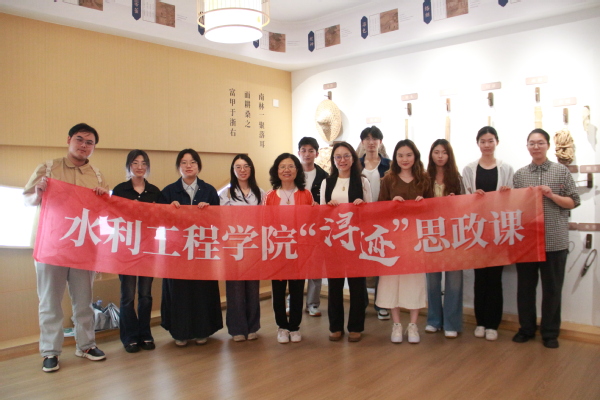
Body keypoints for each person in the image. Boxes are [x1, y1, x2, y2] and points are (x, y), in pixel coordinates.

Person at [23, 123, 109, 372]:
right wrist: (38, 193)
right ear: (69, 140)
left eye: (90, 142)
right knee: (50, 301)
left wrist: (104, 198)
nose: (84, 145)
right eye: (79, 139)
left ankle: (86, 345)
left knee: (84, 301)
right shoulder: (49, 167)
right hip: (51, 246)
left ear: (94, 147)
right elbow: (28, 199)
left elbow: (104, 213)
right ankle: (50, 351)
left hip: (84, 247)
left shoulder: (97, 175)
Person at [512, 129, 580, 349]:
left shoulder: (561, 171)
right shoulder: (520, 175)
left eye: (540, 143)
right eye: (532, 143)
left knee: (552, 290)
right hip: (527, 242)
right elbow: (513, 207)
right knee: (525, 289)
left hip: (554, 241)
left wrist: (551, 195)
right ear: (527, 147)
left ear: (548, 145)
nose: (536, 147)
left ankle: (550, 333)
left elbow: (574, 201)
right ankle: (526, 329)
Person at [159, 149, 223, 347]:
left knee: (201, 291)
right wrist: (169, 211)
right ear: (178, 166)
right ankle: (180, 332)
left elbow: (218, 221)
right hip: (176, 251)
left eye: (193, 162)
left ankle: (202, 330)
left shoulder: (209, 191)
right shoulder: (168, 191)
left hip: (202, 250)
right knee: (179, 292)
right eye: (184, 162)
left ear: (198, 166)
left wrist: (208, 212)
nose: (188, 166)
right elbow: (159, 222)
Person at [376, 139, 433, 344]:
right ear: (395, 157)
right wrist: (391, 204)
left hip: (416, 239)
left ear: (415, 156)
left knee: (414, 281)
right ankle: (397, 324)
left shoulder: (424, 179)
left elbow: (434, 208)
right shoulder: (388, 179)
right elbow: (379, 209)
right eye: (400, 155)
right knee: (392, 282)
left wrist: (423, 204)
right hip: (393, 239)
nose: (405, 159)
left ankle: (413, 325)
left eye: (409, 155)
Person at [462, 126, 513, 341]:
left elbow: (513, 201)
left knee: (495, 279)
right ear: (478, 143)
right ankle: (480, 322)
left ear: (496, 142)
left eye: (490, 140)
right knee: (480, 278)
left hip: (498, 231)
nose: (487, 145)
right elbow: (463, 200)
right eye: (483, 141)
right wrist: (473, 196)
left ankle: (493, 324)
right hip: (477, 231)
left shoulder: (506, 169)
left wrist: (507, 194)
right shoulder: (469, 169)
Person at [320, 142, 371, 342]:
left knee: (357, 285)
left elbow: (371, 212)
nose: (342, 160)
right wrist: (329, 207)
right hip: (334, 241)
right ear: (333, 160)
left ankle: (356, 326)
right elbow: (321, 213)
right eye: (338, 157)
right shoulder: (327, 183)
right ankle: (335, 326)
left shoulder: (362, 181)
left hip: (355, 240)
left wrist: (362, 206)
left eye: (346, 156)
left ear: (353, 158)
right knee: (334, 285)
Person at [111, 150, 161, 353]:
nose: (140, 167)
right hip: (126, 250)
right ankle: (129, 337)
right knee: (128, 296)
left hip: (149, 249)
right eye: (135, 163)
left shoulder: (155, 191)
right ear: (128, 166)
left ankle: (145, 334)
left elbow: (163, 221)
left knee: (146, 295)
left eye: (143, 163)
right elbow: (112, 219)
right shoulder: (120, 190)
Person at [265, 153, 313, 343]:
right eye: (282, 166)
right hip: (277, 249)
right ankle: (282, 327)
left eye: (291, 166)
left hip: (299, 250)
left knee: (297, 289)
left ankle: (294, 326)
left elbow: (311, 222)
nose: (287, 170)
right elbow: (265, 224)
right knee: (278, 289)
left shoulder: (305, 194)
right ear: (277, 171)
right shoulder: (270, 196)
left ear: (297, 170)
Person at [220, 154, 265, 342]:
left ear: (251, 169)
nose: (242, 170)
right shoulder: (226, 194)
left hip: (253, 247)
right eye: (238, 167)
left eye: (246, 166)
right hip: (233, 247)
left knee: (252, 289)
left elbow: (265, 220)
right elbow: (221, 220)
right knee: (235, 290)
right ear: (233, 170)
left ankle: (252, 326)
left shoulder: (260, 193)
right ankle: (237, 328)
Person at [425, 139, 465, 338]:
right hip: (430, 235)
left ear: (449, 155)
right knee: (432, 281)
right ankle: (434, 320)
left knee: (454, 281)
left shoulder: (457, 178)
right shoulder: (424, 177)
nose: (440, 156)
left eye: (444, 152)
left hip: (453, 234)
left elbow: (466, 206)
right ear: (431, 154)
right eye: (436, 152)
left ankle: (451, 323)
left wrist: (455, 203)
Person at [358, 126, 391, 321]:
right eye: (367, 139)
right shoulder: (356, 164)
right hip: (360, 221)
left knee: (381, 264)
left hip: (383, 221)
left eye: (375, 139)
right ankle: (361, 303)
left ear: (380, 141)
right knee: (361, 262)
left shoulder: (389, 165)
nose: (371, 142)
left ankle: (382, 304)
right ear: (362, 142)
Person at [296, 137, 329, 317]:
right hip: (295, 228)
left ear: (316, 153)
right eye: (303, 150)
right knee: (295, 267)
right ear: (298, 152)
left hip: (317, 227)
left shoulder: (324, 176)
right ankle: (292, 302)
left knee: (315, 267)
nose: (307, 154)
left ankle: (313, 304)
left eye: (311, 151)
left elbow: (328, 203)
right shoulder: (292, 174)